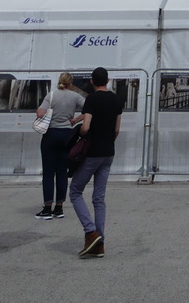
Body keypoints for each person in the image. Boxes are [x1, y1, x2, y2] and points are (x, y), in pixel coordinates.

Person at [69, 66, 122, 258]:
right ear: (107, 81)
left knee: (75, 191)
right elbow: (117, 129)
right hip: (108, 152)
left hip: (92, 152)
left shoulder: (91, 99)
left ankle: (91, 232)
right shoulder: (116, 99)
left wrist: (80, 132)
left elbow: (86, 127)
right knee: (99, 198)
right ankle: (100, 241)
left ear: (92, 82)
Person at [35, 72, 84, 220]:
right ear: (71, 83)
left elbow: (39, 113)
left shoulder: (51, 95)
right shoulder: (75, 96)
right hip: (67, 136)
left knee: (49, 172)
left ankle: (47, 207)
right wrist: (76, 119)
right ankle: (59, 207)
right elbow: (89, 109)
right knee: (62, 172)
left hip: (50, 134)